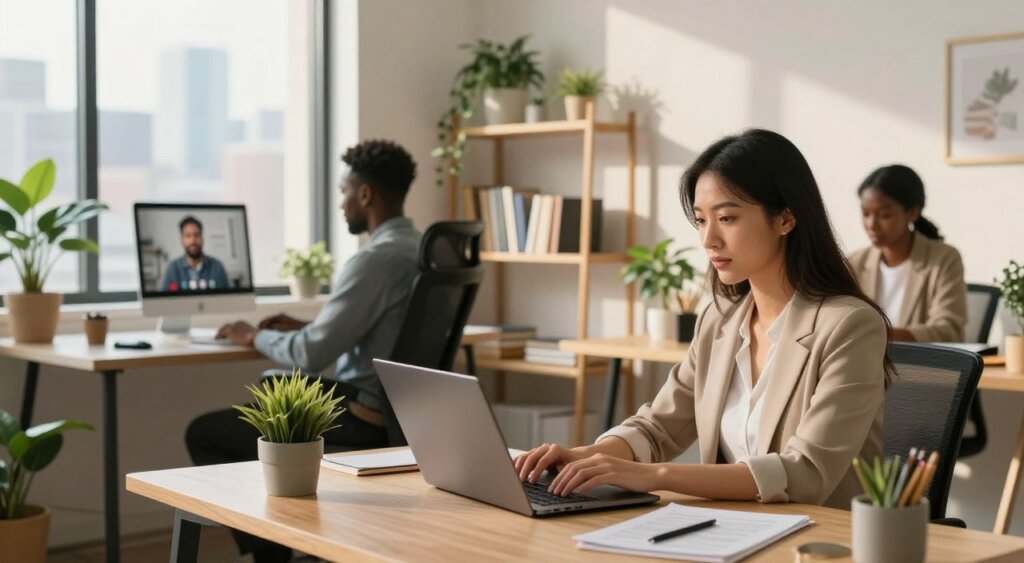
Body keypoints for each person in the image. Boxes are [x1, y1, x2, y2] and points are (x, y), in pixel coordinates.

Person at [515, 129, 892, 509]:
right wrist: (588, 457)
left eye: (726, 218)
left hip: (817, 542)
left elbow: (805, 473)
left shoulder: (849, 326)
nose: (708, 239)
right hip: (730, 532)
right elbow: (659, 426)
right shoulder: (719, 321)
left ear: (785, 219)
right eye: (700, 220)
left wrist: (654, 475)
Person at [186, 139, 420, 563]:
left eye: (344, 190)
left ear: (365, 194)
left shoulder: (375, 260)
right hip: (405, 416)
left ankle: (272, 554)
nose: (341, 202)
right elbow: (382, 332)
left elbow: (308, 355)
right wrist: (313, 324)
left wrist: (251, 335)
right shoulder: (419, 251)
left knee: (206, 433)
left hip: (362, 418)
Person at [848, 164, 967, 342]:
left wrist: (877, 333)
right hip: (866, 366)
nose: (872, 225)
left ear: (912, 213)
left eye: (884, 215)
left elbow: (948, 330)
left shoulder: (944, 259)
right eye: (865, 214)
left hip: (920, 367)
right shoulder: (855, 262)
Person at [161, 216, 230, 291]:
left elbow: (225, 299)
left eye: (196, 235)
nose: (193, 240)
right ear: (182, 240)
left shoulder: (217, 267)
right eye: (188, 236)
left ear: (202, 239)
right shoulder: (173, 268)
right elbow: (166, 301)